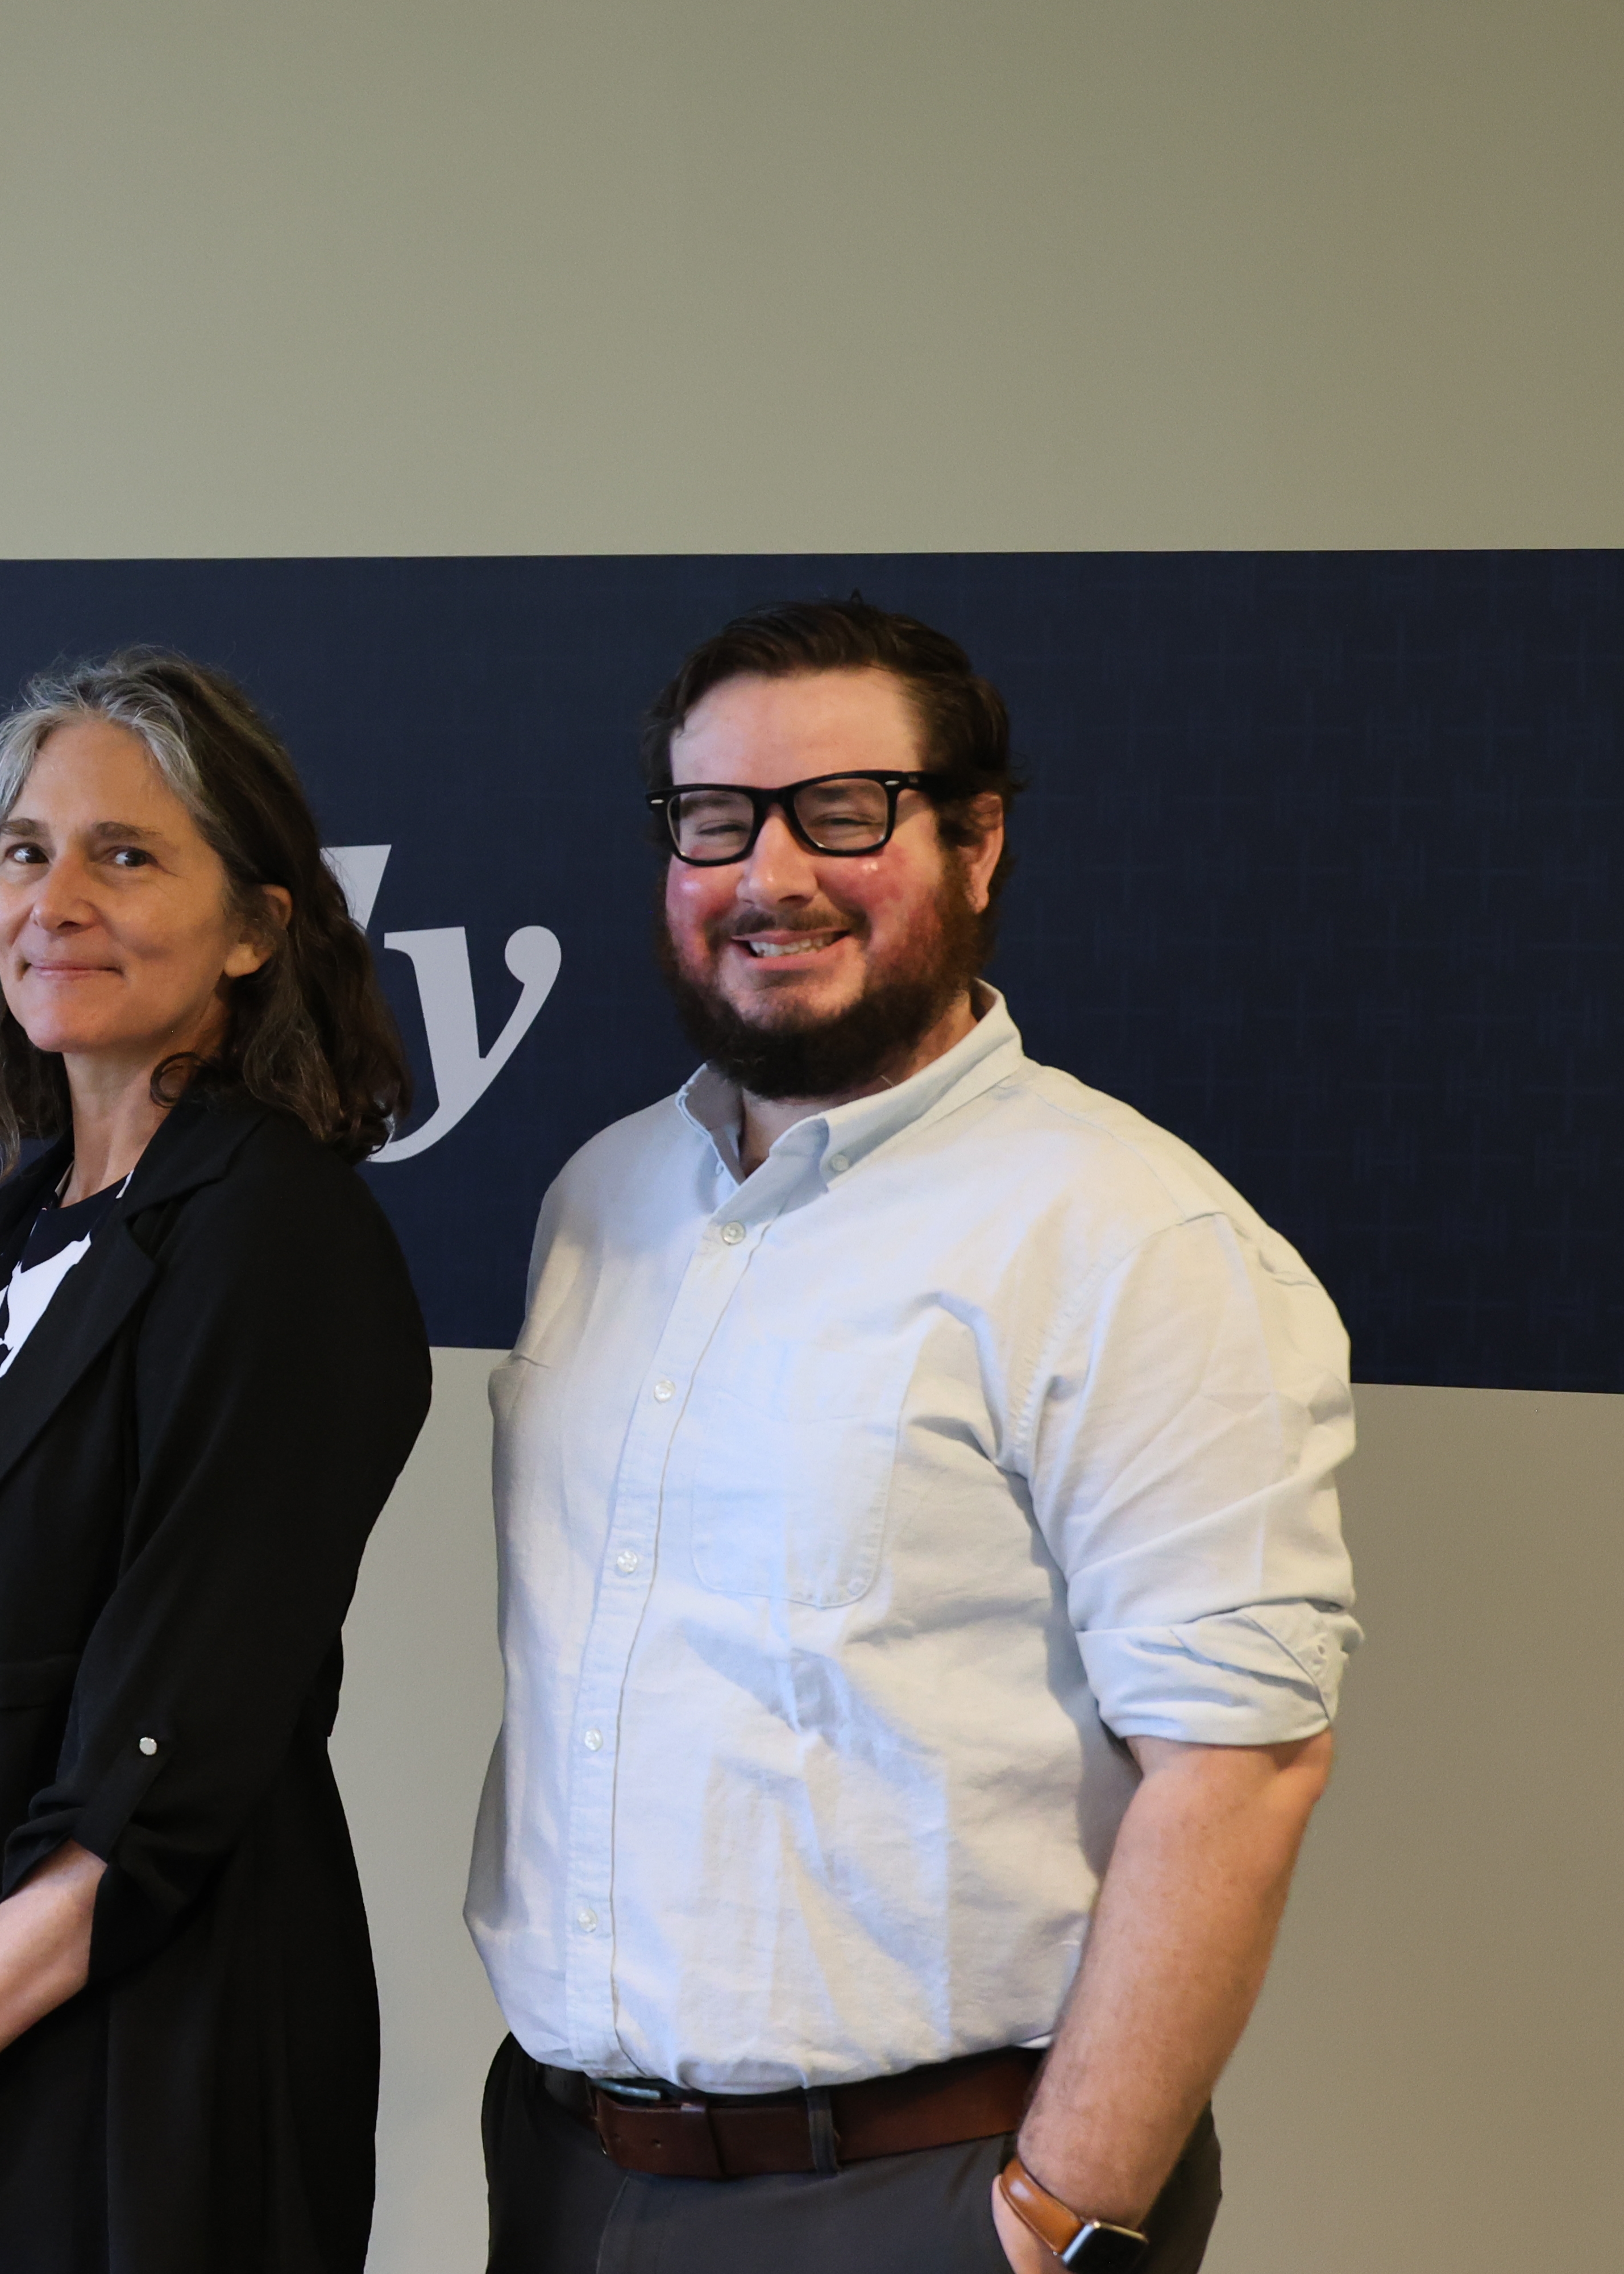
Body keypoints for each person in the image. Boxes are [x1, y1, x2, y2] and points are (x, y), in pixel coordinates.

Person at [466, 599, 1359, 2273]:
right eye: (715, 820)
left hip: (930, 2194)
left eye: (845, 811)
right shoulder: (602, 1199)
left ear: (977, 839)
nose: (771, 875)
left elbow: (1240, 1768)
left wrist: (1056, 2221)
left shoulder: (1129, 1239)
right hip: (570, 2170)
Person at [0, 652, 433, 2273]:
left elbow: (161, 1766)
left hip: (142, 2057)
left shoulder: (282, 1235)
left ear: (259, 925)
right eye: (22, 850)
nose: (55, 896)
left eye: (126, 855)